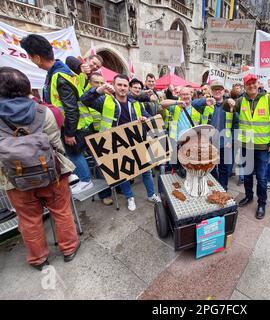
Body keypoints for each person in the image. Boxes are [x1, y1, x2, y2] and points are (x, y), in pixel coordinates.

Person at [0, 67, 80, 270]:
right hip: (51, 173)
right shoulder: (44, 112)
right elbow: (56, 144)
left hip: (14, 179)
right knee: (61, 212)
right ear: (27, 87)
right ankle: (68, 249)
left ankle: (38, 258)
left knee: (28, 220)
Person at [20, 34, 94, 195]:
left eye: (30, 56)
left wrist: (69, 133)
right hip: (70, 125)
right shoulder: (56, 72)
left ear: (37, 57)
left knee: (75, 154)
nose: (31, 60)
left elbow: (71, 108)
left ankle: (86, 181)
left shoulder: (59, 75)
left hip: (74, 126)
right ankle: (82, 179)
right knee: (73, 154)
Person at [81, 74, 161, 210]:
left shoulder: (135, 103)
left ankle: (151, 194)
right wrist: (98, 90)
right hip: (117, 143)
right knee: (123, 174)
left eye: (125, 85)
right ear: (113, 85)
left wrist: (144, 118)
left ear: (128, 87)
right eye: (119, 85)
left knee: (147, 170)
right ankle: (130, 198)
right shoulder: (105, 101)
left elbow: (147, 116)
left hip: (137, 140)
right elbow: (84, 100)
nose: (122, 88)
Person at [223, 74, 270, 219]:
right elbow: (226, 108)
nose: (251, 86)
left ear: (258, 83)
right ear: (244, 85)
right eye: (248, 83)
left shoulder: (269, 99)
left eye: (253, 83)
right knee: (247, 175)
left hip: (262, 147)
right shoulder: (241, 100)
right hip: (246, 144)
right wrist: (228, 100)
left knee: (261, 178)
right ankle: (249, 197)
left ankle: (262, 203)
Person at [191, 80, 237, 191]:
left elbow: (236, 124)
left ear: (223, 91)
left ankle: (223, 189)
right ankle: (210, 188)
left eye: (219, 89)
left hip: (224, 143)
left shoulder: (229, 104)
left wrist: (232, 140)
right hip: (208, 143)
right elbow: (193, 104)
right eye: (215, 89)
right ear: (211, 91)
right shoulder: (207, 104)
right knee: (208, 168)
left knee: (224, 169)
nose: (217, 91)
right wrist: (205, 100)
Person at [160, 87, 214, 176]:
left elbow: (206, 121)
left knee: (190, 168)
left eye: (187, 94)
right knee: (176, 168)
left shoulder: (197, 109)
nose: (185, 96)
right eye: (183, 94)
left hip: (191, 144)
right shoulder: (175, 107)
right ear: (179, 95)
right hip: (176, 143)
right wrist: (177, 102)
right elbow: (162, 103)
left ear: (191, 95)